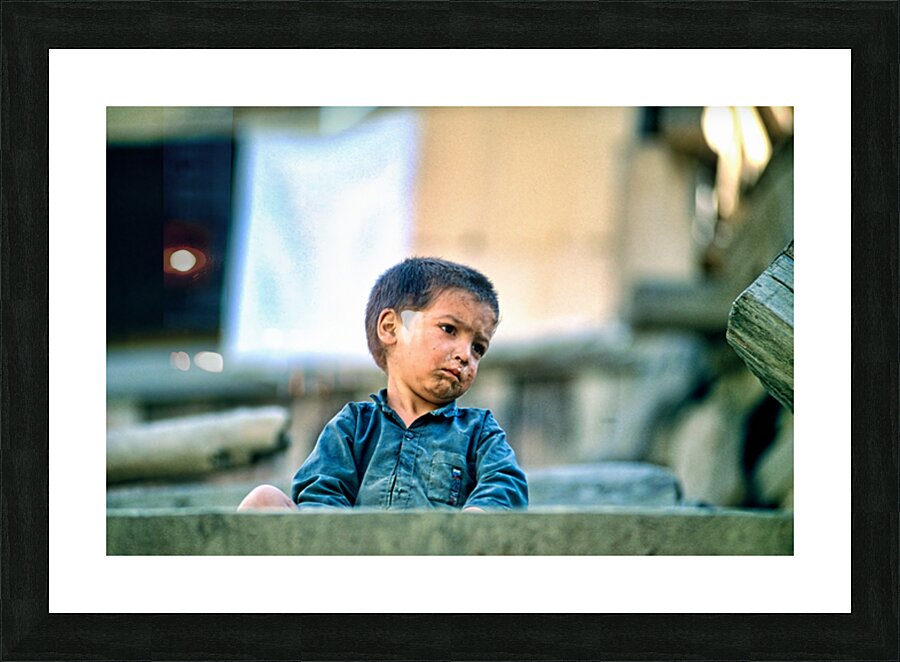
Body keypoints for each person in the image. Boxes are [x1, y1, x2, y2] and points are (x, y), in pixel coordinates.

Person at [237, 256, 528, 512]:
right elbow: (321, 491)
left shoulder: (478, 431)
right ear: (391, 328)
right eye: (449, 329)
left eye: (478, 347)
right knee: (263, 499)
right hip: (353, 559)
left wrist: (476, 518)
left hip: (436, 562)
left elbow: (505, 485)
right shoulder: (354, 426)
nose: (465, 355)